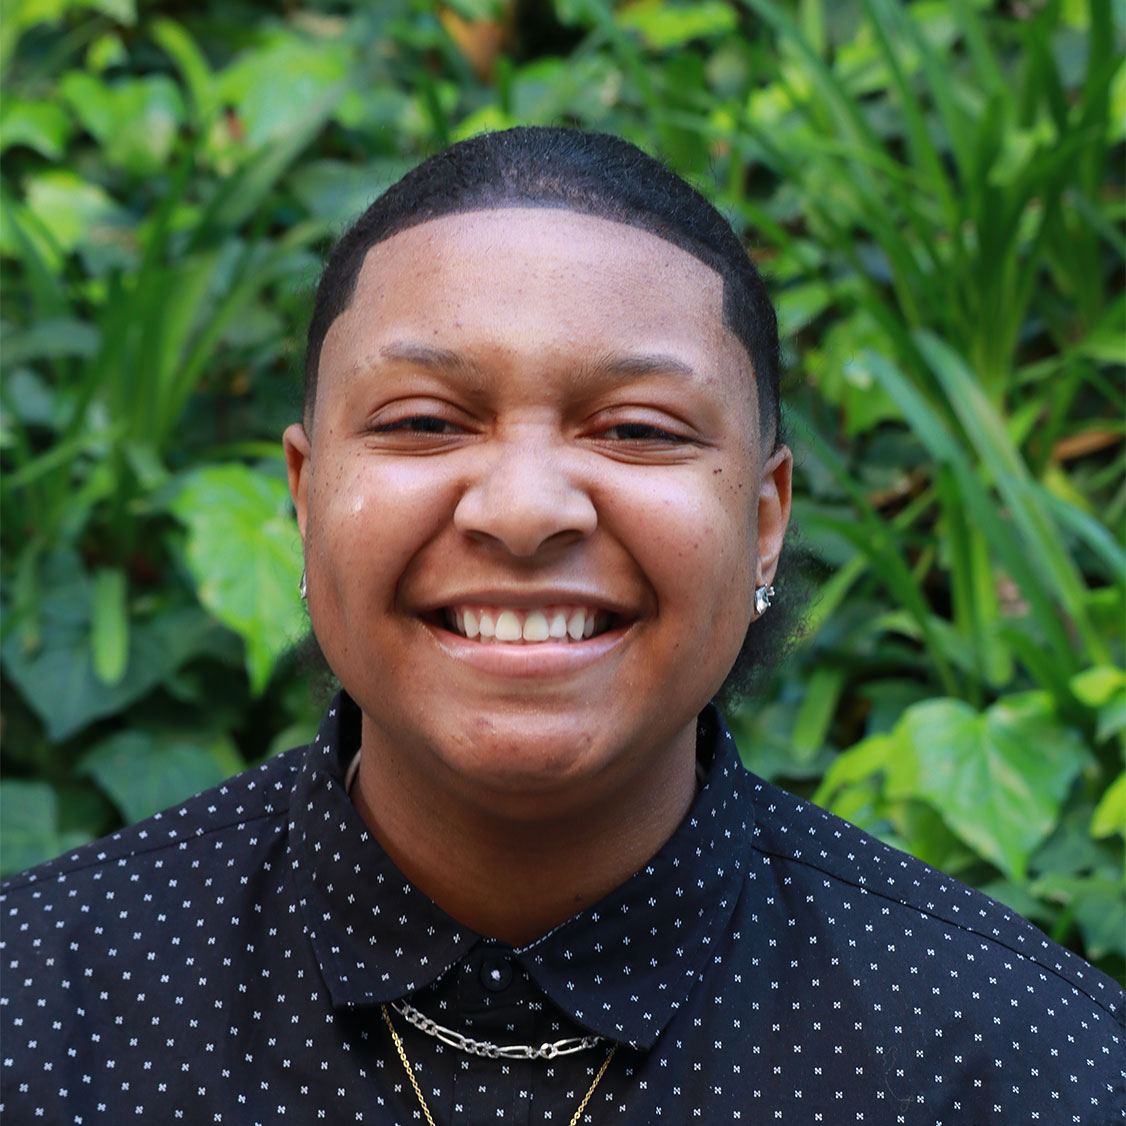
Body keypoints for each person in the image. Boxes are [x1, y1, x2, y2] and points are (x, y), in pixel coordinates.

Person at [2, 127, 1122, 1125]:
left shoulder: (1023, 1061)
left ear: (764, 520)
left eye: (636, 430)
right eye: (427, 420)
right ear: (303, 500)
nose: (527, 509)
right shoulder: (42, 1004)